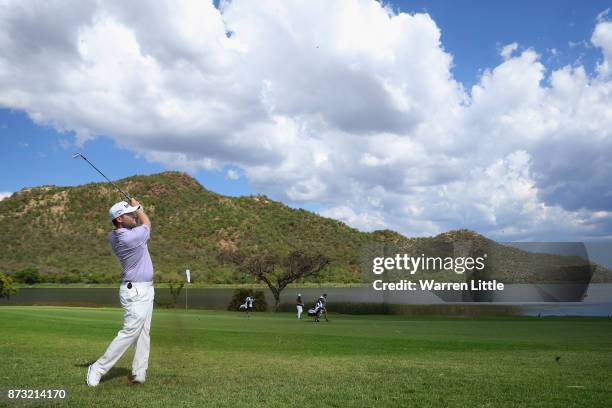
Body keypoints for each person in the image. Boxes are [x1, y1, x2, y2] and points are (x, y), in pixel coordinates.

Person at [86, 198, 155, 387]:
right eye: (129, 214)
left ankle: (139, 372)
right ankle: (98, 368)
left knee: (143, 333)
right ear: (118, 220)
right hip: (136, 291)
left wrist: (132, 208)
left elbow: (137, 224)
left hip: (146, 289)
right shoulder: (127, 238)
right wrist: (139, 207)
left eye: (133, 212)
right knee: (131, 331)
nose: (133, 215)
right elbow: (147, 223)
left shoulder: (119, 235)